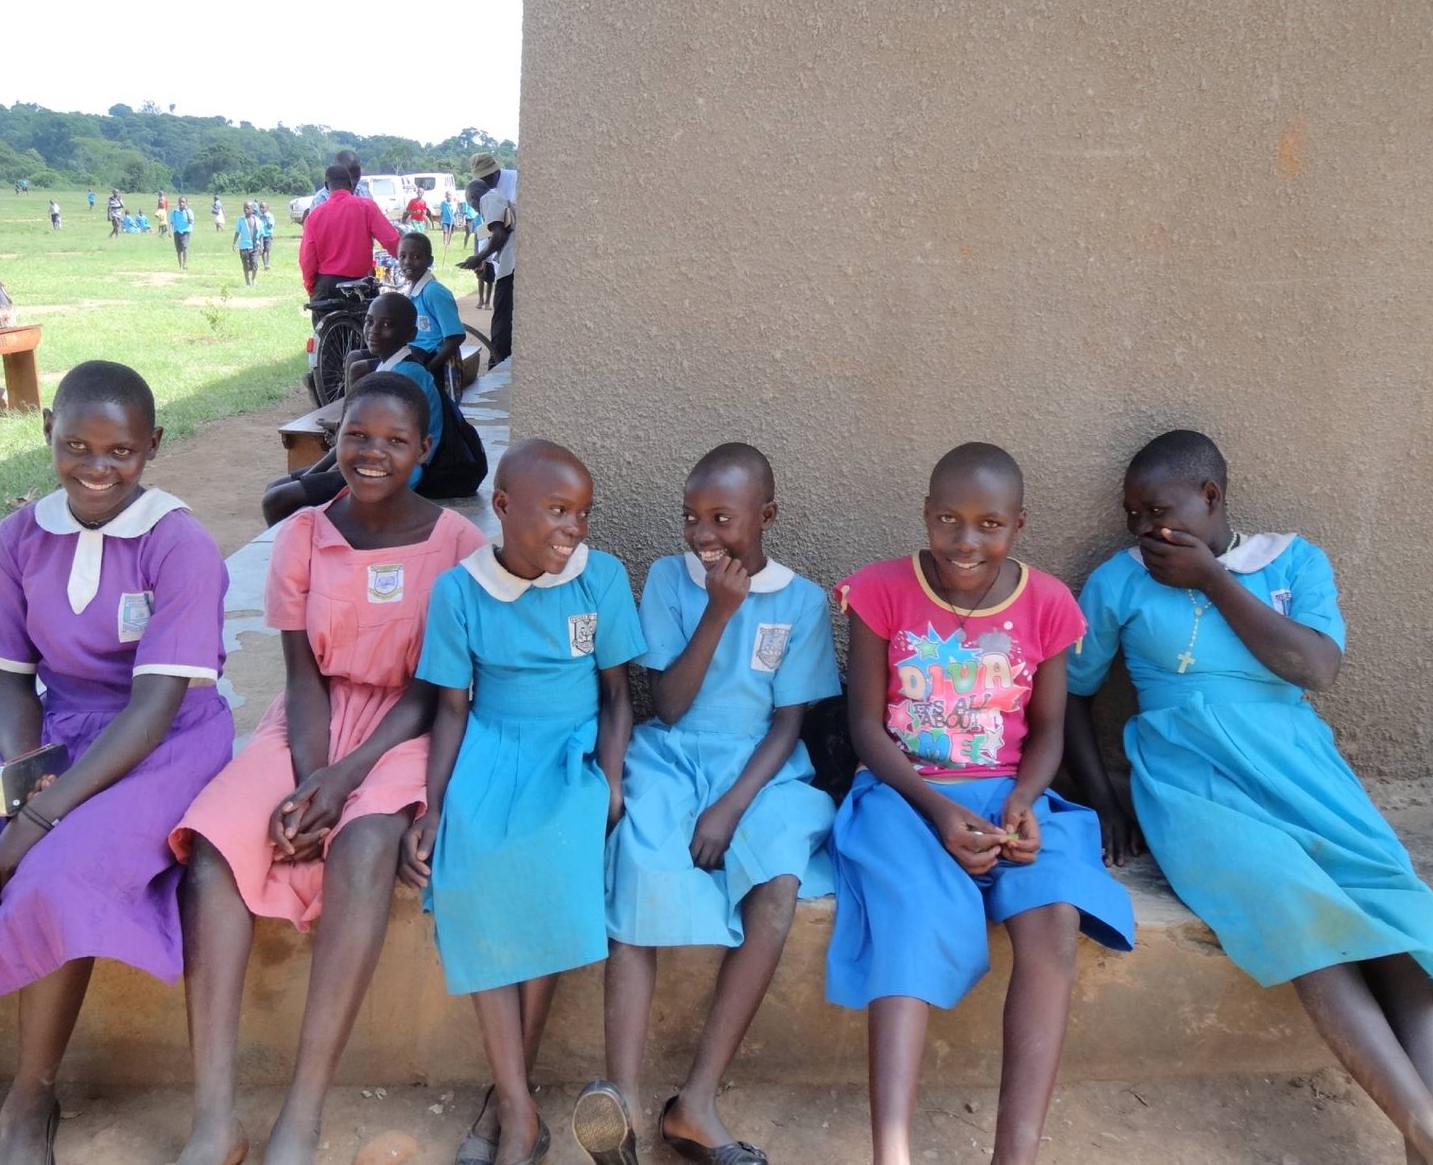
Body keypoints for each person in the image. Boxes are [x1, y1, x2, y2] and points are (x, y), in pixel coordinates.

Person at [1063, 429, 1433, 1165]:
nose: (1139, 528)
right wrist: (1104, 801)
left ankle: (1430, 1142)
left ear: (1210, 497)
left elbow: (1315, 668)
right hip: (1191, 777)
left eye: (1153, 509)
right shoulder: (1118, 582)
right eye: (1131, 514)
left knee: (1401, 910)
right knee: (1292, 904)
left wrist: (1214, 581)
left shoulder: (1292, 563)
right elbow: (1067, 692)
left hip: (1301, 768)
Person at [0, 360, 233, 1165]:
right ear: (48, 429)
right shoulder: (20, 536)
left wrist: (43, 816)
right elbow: (9, 677)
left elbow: (153, 709)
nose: (96, 467)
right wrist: (24, 770)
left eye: (120, 451)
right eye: (76, 444)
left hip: (161, 741)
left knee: (56, 876)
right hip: (53, 735)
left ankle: (29, 1099)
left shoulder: (179, 544)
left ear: (152, 445)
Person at [170, 371, 486, 1165]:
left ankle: (302, 1111)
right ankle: (215, 1116)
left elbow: (435, 689)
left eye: (393, 440)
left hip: (407, 728)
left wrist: (344, 785)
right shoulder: (304, 533)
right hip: (312, 722)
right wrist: (312, 778)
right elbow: (301, 675)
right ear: (336, 438)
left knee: (366, 845)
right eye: (356, 434)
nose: (371, 452)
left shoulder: (458, 547)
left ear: (424, 451)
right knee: (212, 848)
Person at [828, 443, 1134, 1165]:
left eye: (989, 524)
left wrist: (1025, 802)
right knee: (910, 913)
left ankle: (1014, 1156)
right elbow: (866, 726)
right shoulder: (880, 592)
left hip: (1012, 794)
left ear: (1018, 525)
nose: (967, 542)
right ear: (926, 515)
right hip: (905, 795)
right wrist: (935, 810)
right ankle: (892, 1153)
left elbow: (1052, 729)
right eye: (948, 520)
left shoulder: (1050, 605)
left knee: (1053, 914)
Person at [576, 444, 840, 1165]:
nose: (702, 535)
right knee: (640, 865)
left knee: (776, 883)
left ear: (767, 517)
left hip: (762, 767)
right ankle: (623, 1100)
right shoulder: (668, 579)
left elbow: (789, 724)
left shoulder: (803, 601)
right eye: (691, 517)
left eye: (722, 518)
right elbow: (665, 701)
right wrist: (720, 614)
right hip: (671, 754)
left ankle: (695, 1103)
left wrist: (729, 808)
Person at [399, 439, 645, 1165]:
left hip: (570, 747)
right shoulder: (460, 591)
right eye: (559, 512)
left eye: (583, 514)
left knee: (547, 870)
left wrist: (612, 777)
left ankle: (510, 1112)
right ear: (503, 508)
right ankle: (514, 1102)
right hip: (491, 742)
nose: (576, 530)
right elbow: (450, 709)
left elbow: (617, 699)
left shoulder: (599, 578)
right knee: (468, 873)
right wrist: (435, 805)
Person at [267, 292, 484, 524]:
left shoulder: (404, 378)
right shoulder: (390, 367)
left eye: (387, 324)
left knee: (277, 500)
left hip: (397, 475)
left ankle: (297, 555)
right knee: (276, 488)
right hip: (374, 460)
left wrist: (314, 475)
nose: (374, 330)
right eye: (370, 321)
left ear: (410, 334)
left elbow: (370, 441)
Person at [299, 165, 401, 308]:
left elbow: (307, 259)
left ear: (326, 186)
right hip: (361, 284)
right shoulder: (367, 207)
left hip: (328, 286)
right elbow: (392, 241)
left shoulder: (314, 216)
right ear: (351, 184)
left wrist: (311, 287)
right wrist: (408, 261)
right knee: (370, 327)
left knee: (326, 329)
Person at [459, 152, 516, 368]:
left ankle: (497, 362)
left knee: (501, 318)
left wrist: (478, 258)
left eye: (470, 203)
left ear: (473, 198)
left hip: (510, 266)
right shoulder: (496, 198)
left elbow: (499, 234)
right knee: (505, 316)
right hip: (509, 264)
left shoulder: (488, 200)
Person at [395, 231, 466, 380]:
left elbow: (456, 337)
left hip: (429, 356)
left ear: (429, 261)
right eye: (402, 256)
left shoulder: (433, 292)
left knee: (363, 368)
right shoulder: (410, 290)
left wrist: (428, 369)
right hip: (413, 351)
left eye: (416, 257)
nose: (407, 262)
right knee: (356, 358)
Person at [234, 202, 261, 286]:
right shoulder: (241, 220)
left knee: (255, 264)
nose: (246, 210)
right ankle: (247, 282)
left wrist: (262, 245)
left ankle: (253, 279)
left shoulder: (257, 220)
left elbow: (261, 234)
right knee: (245, 265)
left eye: (248, 208)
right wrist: (234, 243)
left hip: (255, 245)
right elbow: (237, 232)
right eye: (244, 208)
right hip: (244, 246)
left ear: (252, 209)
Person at [171, 197, 195, 269]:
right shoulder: (175, 211)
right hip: (177, 231)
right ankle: (180, 265)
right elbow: (171, 221)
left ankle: (184, 264)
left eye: (183, 202)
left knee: (184, 247)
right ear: (178, 203)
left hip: (186, 231)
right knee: (179, 250)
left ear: (186, 203)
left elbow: (190, 222)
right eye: (181, 202)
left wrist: (186, 211)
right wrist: (170, 231)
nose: (182, 203)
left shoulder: (189, 211)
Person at [258, 201, 276, 270]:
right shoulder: (258, 216)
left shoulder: (270, 216)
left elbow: (270, 226)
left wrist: (266, 218)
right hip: (260, 235)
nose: (262, 209)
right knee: (262, 250)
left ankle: (268, 263)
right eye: (261, 207)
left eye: (263, 207)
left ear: (267, 208)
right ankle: (264, 263)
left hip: (267, 235)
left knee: (268, 249)